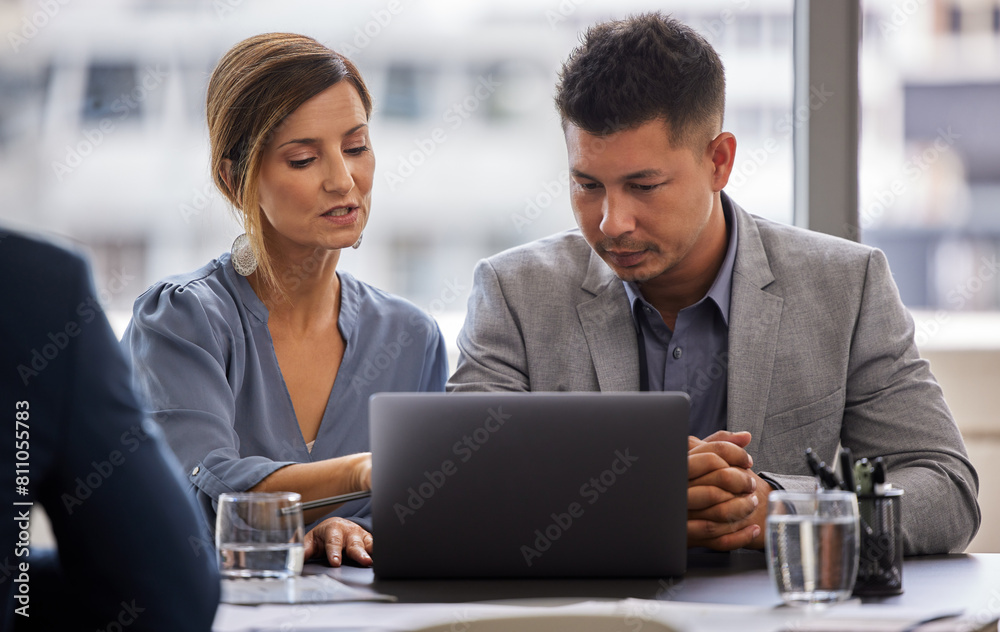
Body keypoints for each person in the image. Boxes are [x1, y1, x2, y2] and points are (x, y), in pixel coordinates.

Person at [448, 13, 980, 555]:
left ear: (719, 161)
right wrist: (636, 496)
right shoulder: (512, 293)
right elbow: (459, 490)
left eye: (643, 185)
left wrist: (772, 506)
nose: (612, 222)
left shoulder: (846, 285)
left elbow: (946, 491)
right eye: (587, 184)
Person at [122, 33, 448, 567]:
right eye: (302, 159)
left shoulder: (410, 335)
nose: (343, 181)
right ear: (234, 179)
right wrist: (361, 473)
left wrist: (350, 526)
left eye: (357, 147)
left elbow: (425, 510)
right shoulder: (182, 320)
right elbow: (204, 499)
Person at [1, 229, 219, 631]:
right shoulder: (30, 287)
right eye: (302, 160)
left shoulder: (374, 318)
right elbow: (165, 587)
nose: (341, 182)